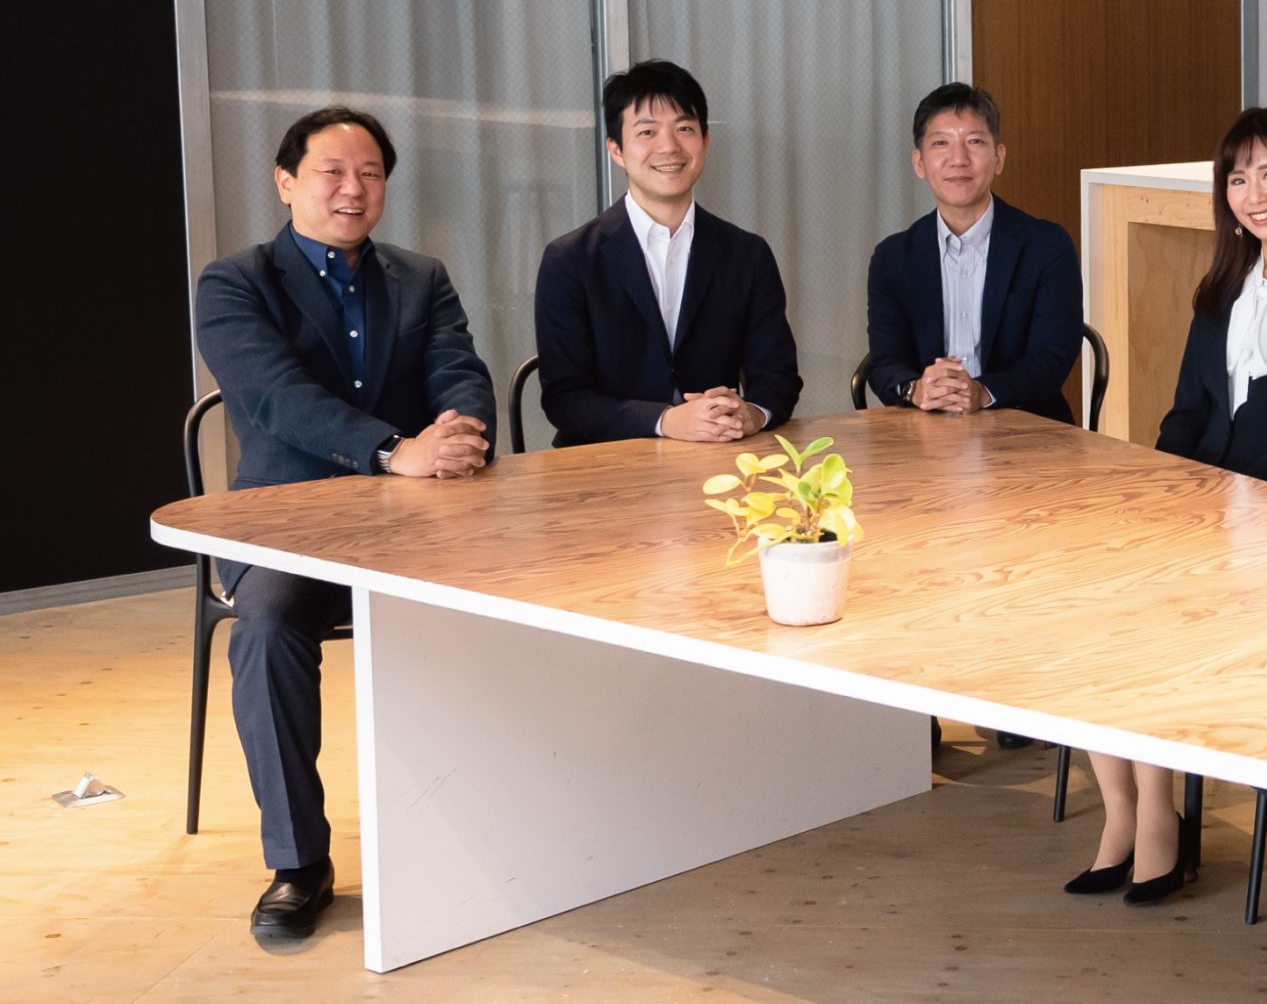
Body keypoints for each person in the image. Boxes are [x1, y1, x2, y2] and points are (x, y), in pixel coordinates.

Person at [194, 106, 497, 940]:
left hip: (415, 526)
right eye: (332, 171)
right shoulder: (235, 281)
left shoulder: (420, 276)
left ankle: (490, 830)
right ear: (286, 181)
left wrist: (460, 433)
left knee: (525, 594)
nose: (352, 189)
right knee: (264, 627)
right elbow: (276, 398)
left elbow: (460, 370)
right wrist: (393, 449)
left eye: (369, 173)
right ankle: (300, 864)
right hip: (286, 527)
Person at [1068, 106, 1267, 906]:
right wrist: (1164, 494)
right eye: (1238, 178)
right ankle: (1128, 810)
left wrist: (1235, 495)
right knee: (1098, 606)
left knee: (1157, 623)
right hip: (1206, 515)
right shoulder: (1217, 291)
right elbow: (1185, 415)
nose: (1254, 194)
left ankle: (1158, 821)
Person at [535, 59, 801, 447]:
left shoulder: (747, 254)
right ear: (616, 150)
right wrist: (666, 421)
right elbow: (565, 398)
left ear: (705, 140)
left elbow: (778, 374)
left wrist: (753, 413)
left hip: (719, 457)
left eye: (684, 128)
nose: (669, 147)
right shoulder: (570, 260)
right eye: (647, 131)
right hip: (607, 461)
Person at [864, 82, 1081, 423]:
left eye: (975, 141)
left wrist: (984, 392)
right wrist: (915, 389)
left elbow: (1052, 358)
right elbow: (885, 362)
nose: (959, 159)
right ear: (919, 163)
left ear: (998, 158)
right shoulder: (893, 258)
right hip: (923, 432)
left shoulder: (1047, 246)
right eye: (941, 143)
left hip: (1026, 427)